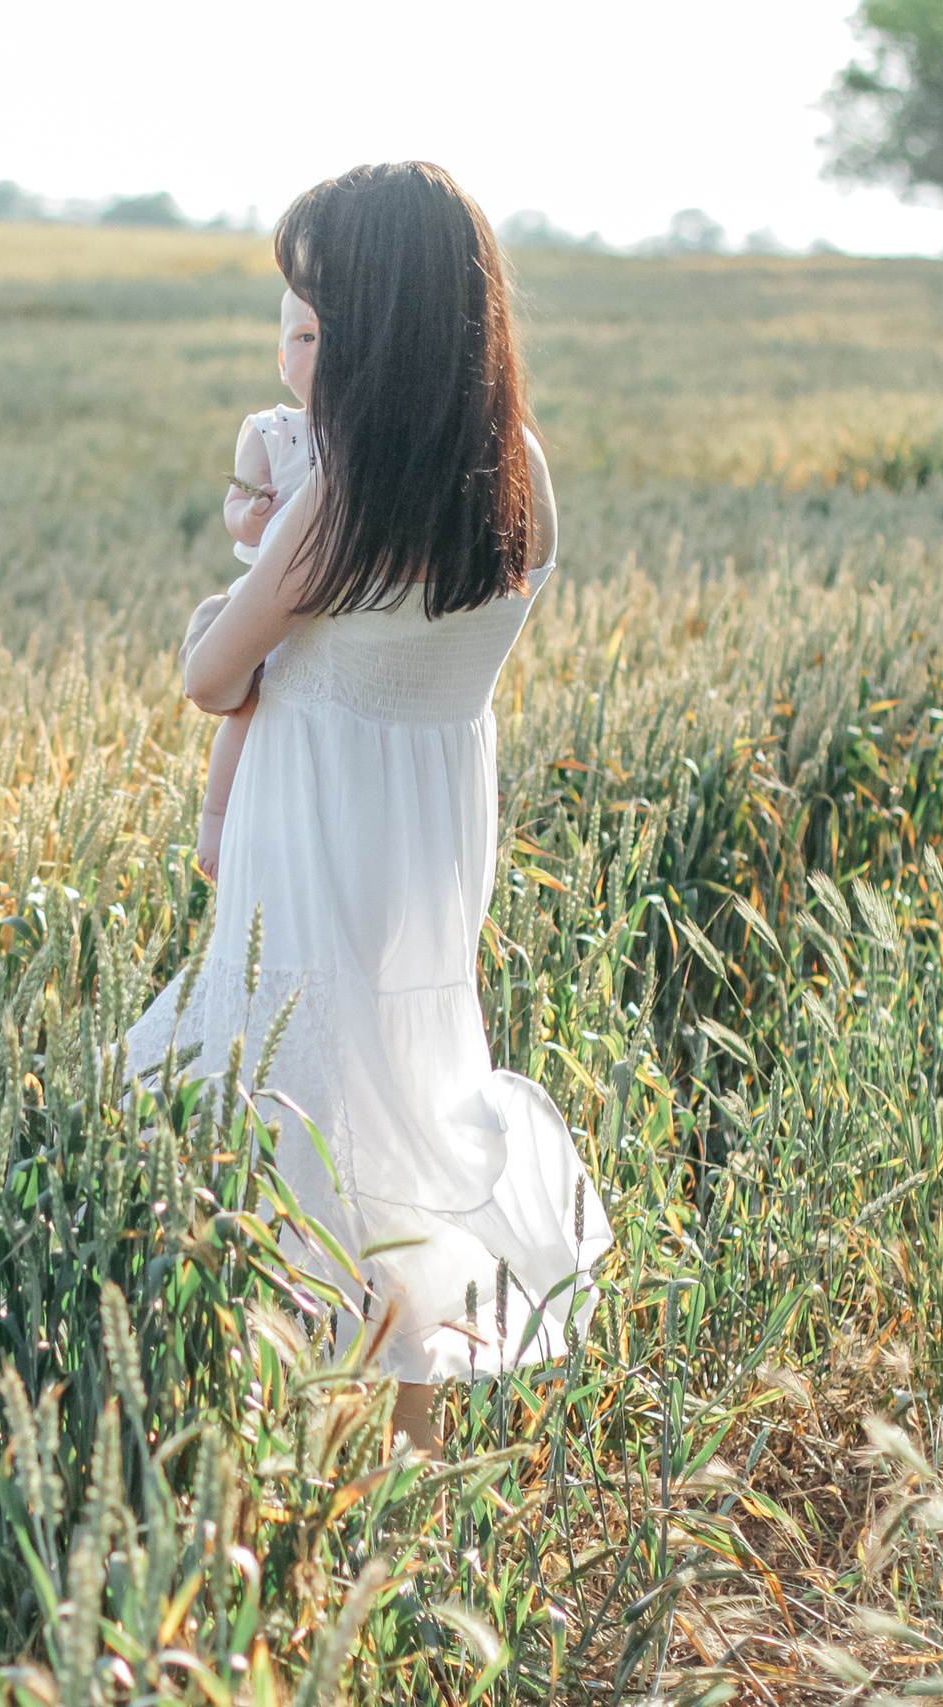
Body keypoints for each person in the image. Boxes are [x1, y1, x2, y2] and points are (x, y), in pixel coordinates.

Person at [129, 162, 610, 1458]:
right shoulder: (521, 474)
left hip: (316, 838)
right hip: (435, 843)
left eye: (314, 315)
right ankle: (408, 1461)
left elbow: (209, 673)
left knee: (291, 1116)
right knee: (405, 1108)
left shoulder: (340, 494)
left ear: (373, 324)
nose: (300, 345)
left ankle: (276, 1448)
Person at [195, 290, 320, 880]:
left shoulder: (368, 436)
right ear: (280, 359)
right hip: (267, 593)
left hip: (321, 601)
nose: (320, 351)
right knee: (244, 712)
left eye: (333, 337)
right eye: (305, 338)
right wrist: (249, 515)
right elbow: (235, 503)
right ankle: (217, 816)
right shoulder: (269, 432)